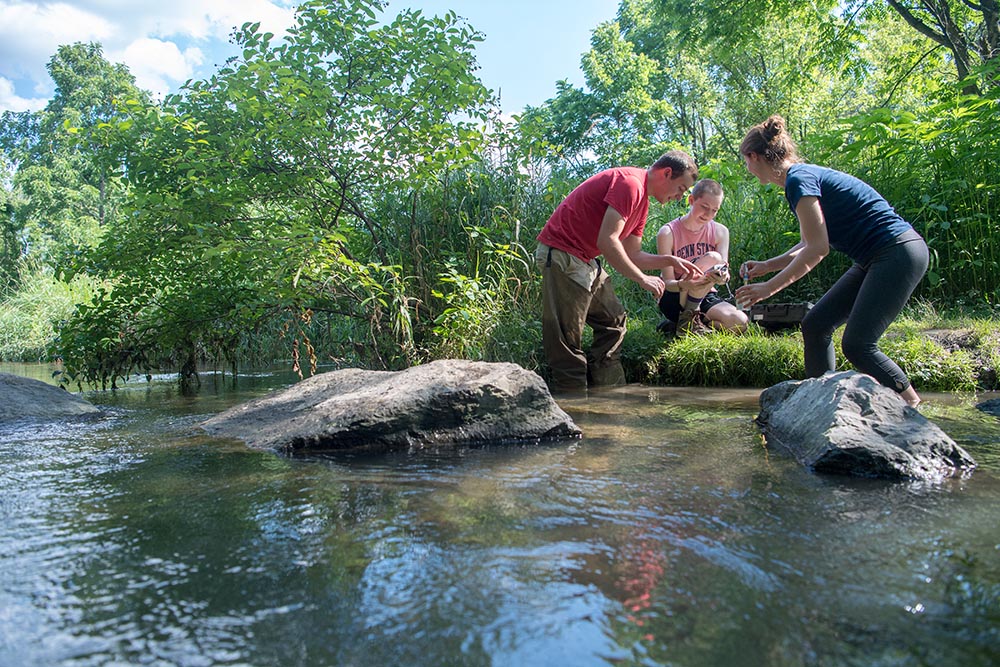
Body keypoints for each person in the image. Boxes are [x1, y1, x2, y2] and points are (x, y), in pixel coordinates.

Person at [734, 115, 929, 407]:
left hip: (897, 252)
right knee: (816, 324)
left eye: (746, 162)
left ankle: (912, 404)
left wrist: (768, 288)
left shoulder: (798, 180)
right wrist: (767, 266)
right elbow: (808, 242)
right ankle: (822, 403)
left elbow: (818, 249)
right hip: (875, 257)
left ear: (753, 156)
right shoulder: (801, 177)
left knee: (858, 344)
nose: (748, 169)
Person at [535, 150, 704, 393]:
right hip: (563, 254)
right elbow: (608, 241)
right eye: (680, 188)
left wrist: (669, 260)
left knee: (613, 321)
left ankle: (609, 397)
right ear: (666, 173)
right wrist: (642, 279)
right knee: (567, 342)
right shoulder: (630, 184)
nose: (679, 197)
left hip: (585, 260)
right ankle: (574, 410)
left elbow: (633, 254)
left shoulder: (642, 202)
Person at [656, 178, 749, 336]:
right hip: (676, 296)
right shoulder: (667, 233)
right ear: (691, 200)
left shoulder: (721, 232)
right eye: (704, 207)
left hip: (706, 294)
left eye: (714, 210)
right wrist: (688, 284)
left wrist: (722, 277)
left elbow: (724, 272)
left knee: (740, 322)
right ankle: (687, 317)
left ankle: (685, 325)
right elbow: (668, 283)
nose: (708, 215)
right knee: (713, 257)